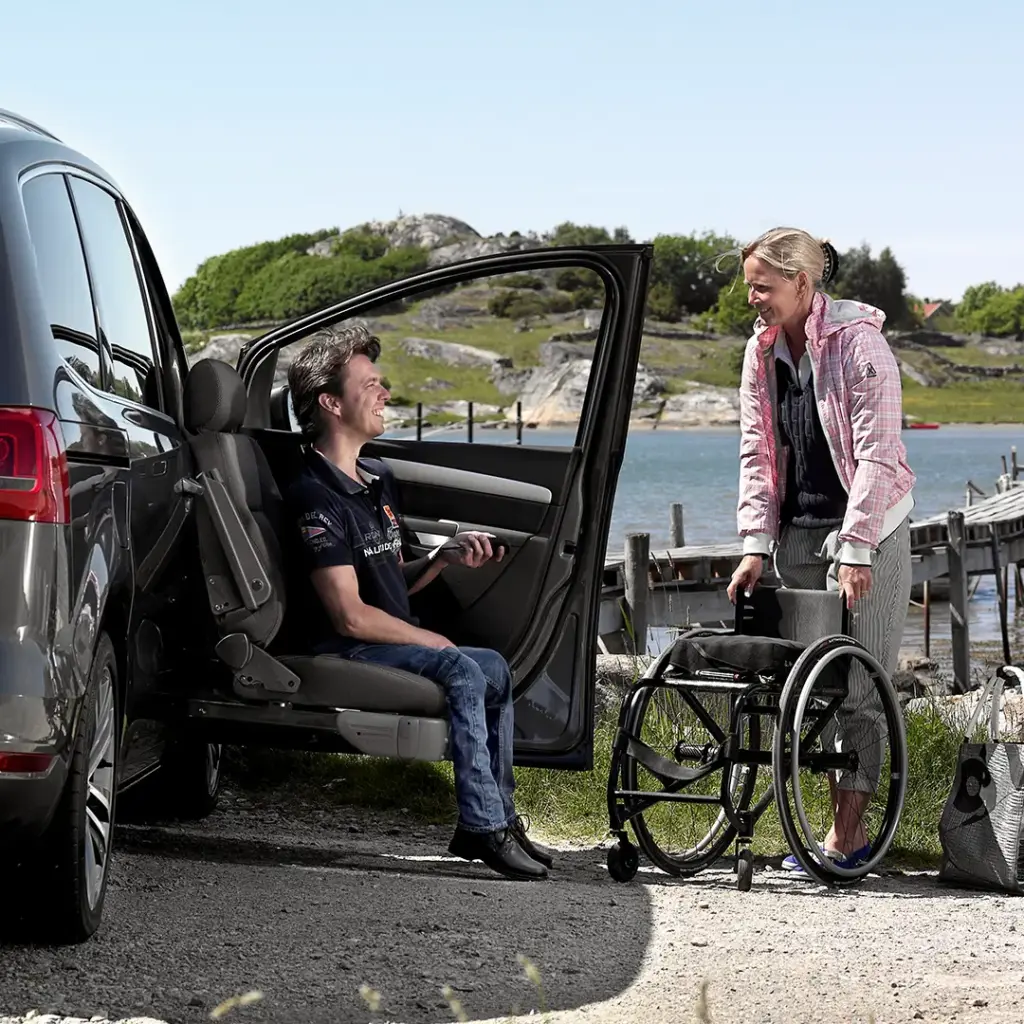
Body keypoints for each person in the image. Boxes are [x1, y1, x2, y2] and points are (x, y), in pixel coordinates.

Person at [284, 323, 552, 881]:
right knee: (457, 664)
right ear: (332, 403)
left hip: (377, 636)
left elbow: (386, 582)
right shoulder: (315, 496)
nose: (386, 394)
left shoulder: (375, 480)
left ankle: (497, 813)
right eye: (371, 384)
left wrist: (440, 559)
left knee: (494, 669)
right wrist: (430, 639)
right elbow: (349, 614)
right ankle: (482, 827)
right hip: (347, 648)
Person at [725, 227, 915, 873]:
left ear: (803, 284)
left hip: (872, 531)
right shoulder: (761, 352)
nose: (752, 297)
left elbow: (878, 456)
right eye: (750, 284)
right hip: (800, 533)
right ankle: (818, 828)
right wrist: (755, 542)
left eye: (763, 286)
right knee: (807, 688)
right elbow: (757, 451)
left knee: (861, 685)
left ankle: (846, 841)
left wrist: (859, 546)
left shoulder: (861, 345)